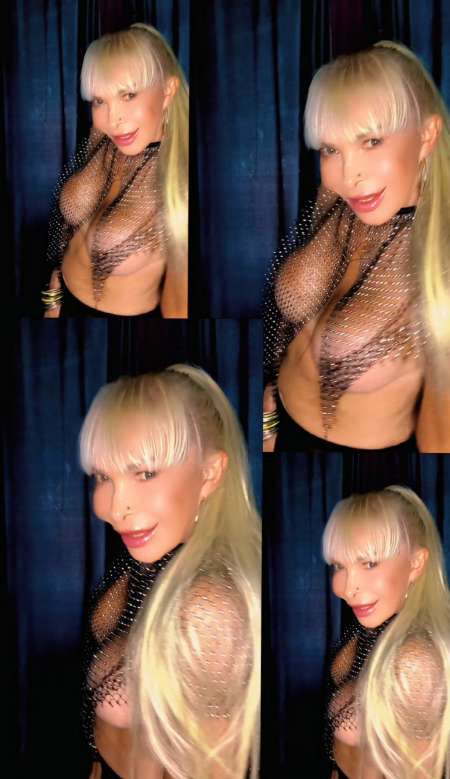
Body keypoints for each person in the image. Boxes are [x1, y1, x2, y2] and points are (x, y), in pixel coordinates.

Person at [264, 41, 450, 452]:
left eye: (371, 142)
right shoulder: (338, 200)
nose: (350, 175)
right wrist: (267, 426)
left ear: (426, 136)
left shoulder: (441, 258)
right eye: (331, 149)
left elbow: (441, 431)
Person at [79, 365, 261, 779]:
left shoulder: (208, 607)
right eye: (103, 476)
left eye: (145, 473)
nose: (115, 507)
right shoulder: (147, 562)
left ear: (210, 474)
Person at [43, 23, 188, 318]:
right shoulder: (104, 136)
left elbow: (178, 306)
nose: (113, 119)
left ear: (168, 91)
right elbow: (71, 236)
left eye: (128, 95)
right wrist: (52, 298)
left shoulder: (180, 184)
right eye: (100, 101)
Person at [322, 486, 450, 779]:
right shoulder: (365, 631)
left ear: (415, 564)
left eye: (369, 564)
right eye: (339, 565)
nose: (347, 588)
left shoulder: (415, 660)